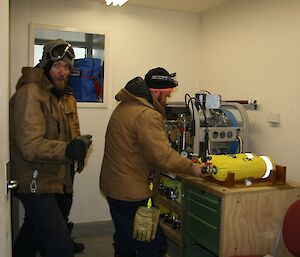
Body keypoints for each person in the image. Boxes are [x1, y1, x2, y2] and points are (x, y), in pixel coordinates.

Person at [100, 67, 204, 257]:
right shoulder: (147, 114)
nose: (168, 99)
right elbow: (162, 155)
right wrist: (193, 168)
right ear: (156, 92)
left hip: (114, 186)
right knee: (153, 245)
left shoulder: (125, 106)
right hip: (131, 191)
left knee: (125, 240)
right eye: (167, 95)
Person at [10, 39, 92, 257]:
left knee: (32, 235)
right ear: (45, 65)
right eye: (57, 65)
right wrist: (68, 150)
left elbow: (64, 131)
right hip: (36, 180)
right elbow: (29, 145)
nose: (62, 72)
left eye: (66, 67)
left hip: (56, 175)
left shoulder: (59, 94)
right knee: (60, 248)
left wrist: (78, 148)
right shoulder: (30, 94)